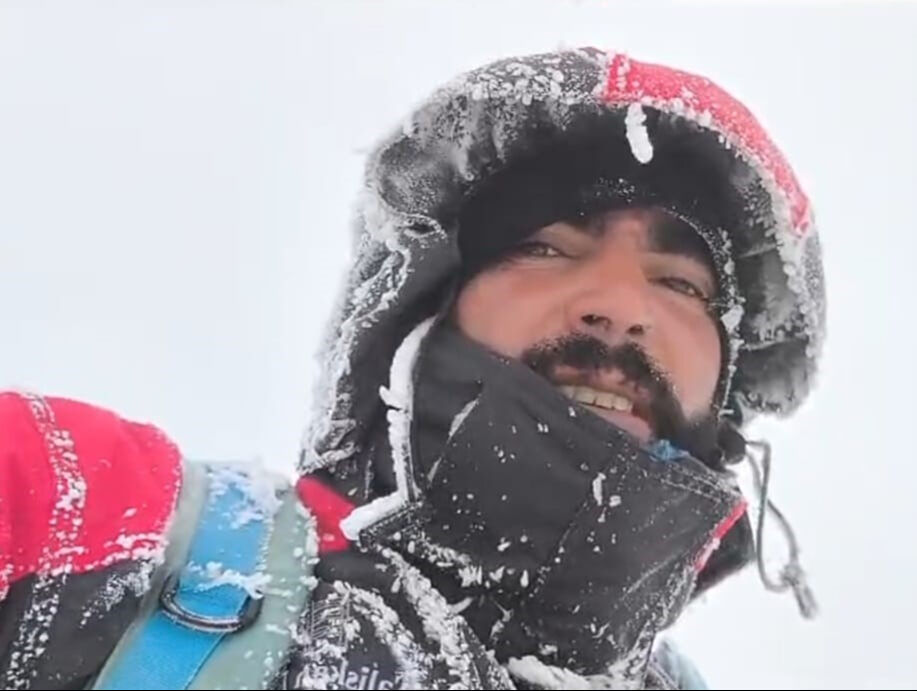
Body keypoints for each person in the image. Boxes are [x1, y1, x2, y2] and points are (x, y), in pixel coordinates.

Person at [0, 48, 824, 690]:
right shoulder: (110, 529)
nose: (619, 304)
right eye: (544, 247)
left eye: (680, 283)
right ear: (419, 313)